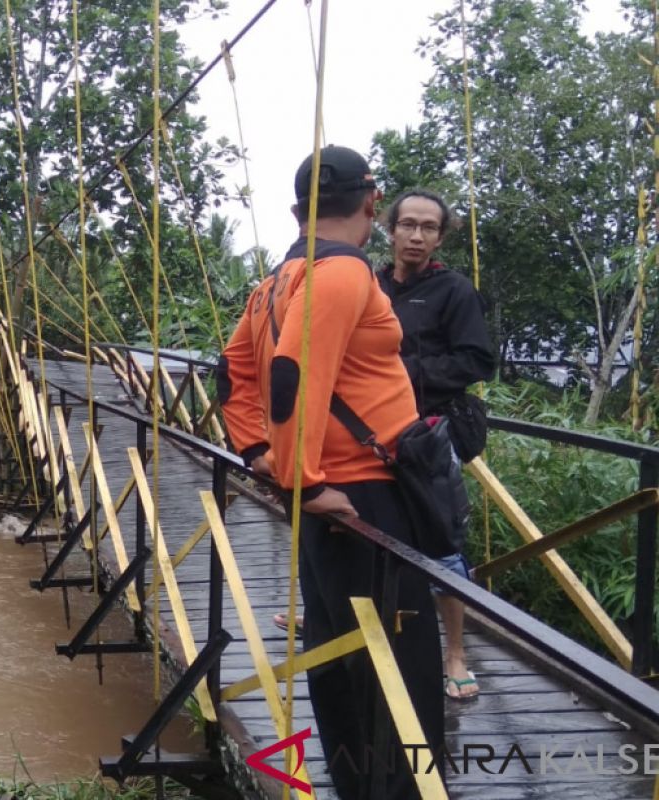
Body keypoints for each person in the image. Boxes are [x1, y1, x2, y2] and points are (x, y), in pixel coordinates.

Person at [219, 146, 445, 798]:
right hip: (360, 499)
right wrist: (305, 479)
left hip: (331, 502)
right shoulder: (341, 277)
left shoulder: (274, 285)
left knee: (341, 649)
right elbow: (293, 374)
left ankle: (356, 787)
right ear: (373, 204)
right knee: (400, 663)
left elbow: (231, 372)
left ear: (298, 212)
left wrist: (258, 451)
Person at [378, 189, 495, 699]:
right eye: (408, 225)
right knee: (360, 524)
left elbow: (476, 361)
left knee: (442, 542)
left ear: (440, 236)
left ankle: (454, 653)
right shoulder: (371, 284)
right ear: (391, 229)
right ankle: (333, 616)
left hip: (430, 433)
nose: (417, 236)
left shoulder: (453, 291)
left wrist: (404, 374)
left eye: (428, 227)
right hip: (372, 431)